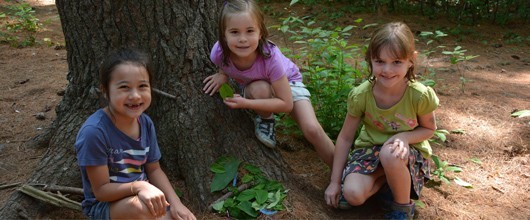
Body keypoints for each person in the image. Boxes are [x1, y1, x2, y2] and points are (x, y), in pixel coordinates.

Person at [324, 22, 439, 220]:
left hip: (407, 153)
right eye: (380, 61)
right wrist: (335, 182)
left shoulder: (419, 95)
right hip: (369, 151)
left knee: (390, 153)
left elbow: (429, 129)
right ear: (370, 59)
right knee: (353, 195)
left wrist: (403, 137)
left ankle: (402, 207)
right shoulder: (361, 95)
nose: (387, 69)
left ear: (411, 60)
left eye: (396, 62)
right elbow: (345, 138)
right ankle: (387, 184)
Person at [202, 0, 334, 167]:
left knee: (312, 129)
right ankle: (266, 120)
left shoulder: (270, 58)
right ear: (224, 35)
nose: (243, 39)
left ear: (260, 33)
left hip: (288, 83)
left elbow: (286, 104)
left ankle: (342, 175)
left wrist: (246, 103)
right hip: (260, 88)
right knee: (260, 88)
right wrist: (222, 74)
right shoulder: (218, 54)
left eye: (250, 31)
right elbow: (224, 65)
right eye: (234, 32)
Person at [74, 48, 196, 220]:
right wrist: (138, 187)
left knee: (178, 216)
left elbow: (154, 169)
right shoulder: (94, 132)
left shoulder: (145, 123)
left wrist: (176, 203)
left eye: (142, 86)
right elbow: (101, 191)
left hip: (144, 197)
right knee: (142, 210)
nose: (135, 95)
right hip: (105, 206)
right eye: (124, 87)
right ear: (105, 90)